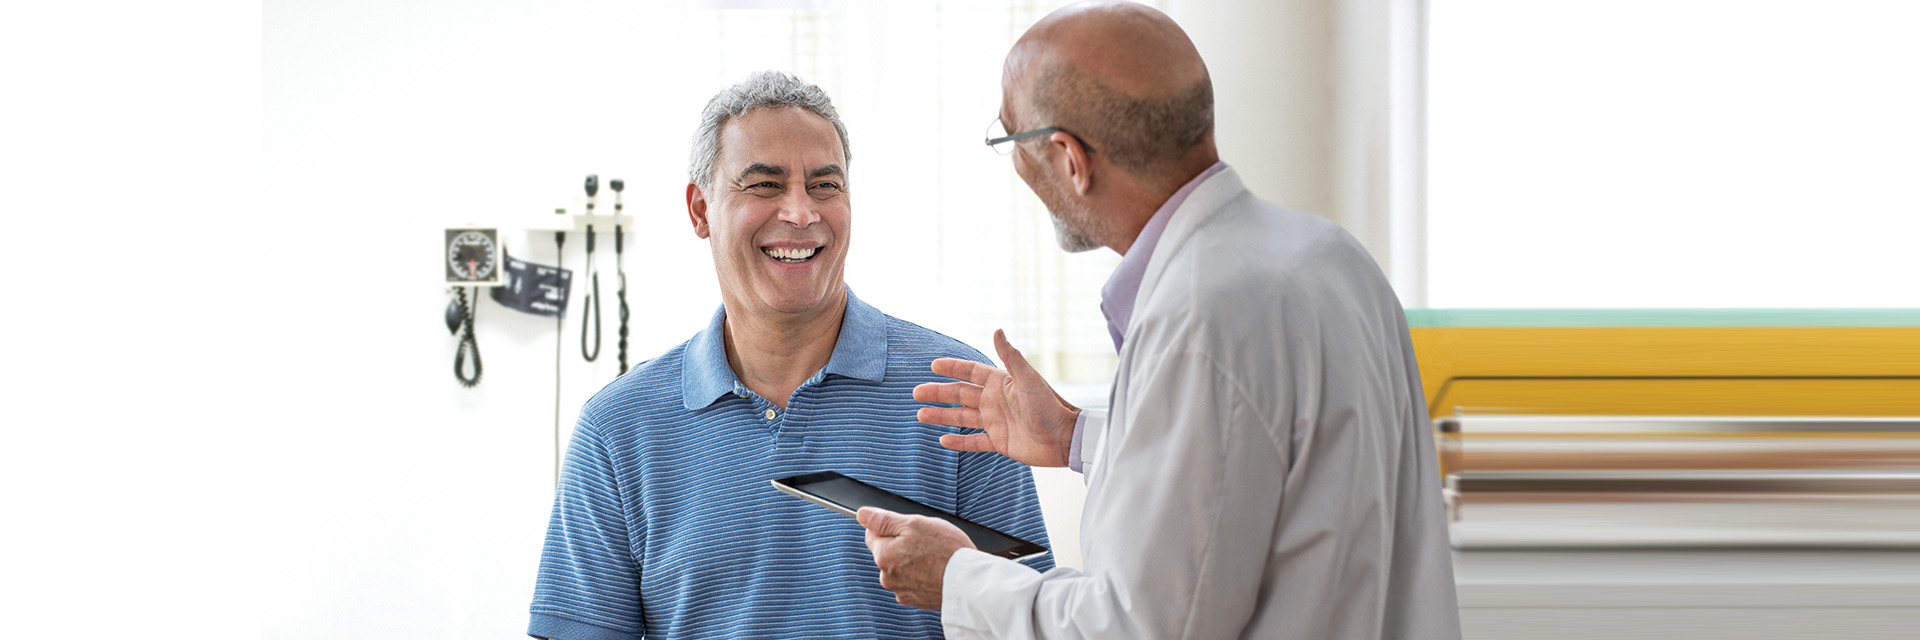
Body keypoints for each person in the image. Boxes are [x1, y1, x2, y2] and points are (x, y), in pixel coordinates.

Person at [856, 3, 1462, 638]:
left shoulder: (1200, 315)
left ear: (1070, 159)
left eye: (1010, 138)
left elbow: (1139, 625)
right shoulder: (1329, 256)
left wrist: (956, 578)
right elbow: (1264, 478)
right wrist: (1074, 437)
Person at [528, 70, 1054, 640]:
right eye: (765, 185)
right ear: (700, 209)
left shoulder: (958, 395)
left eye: (825, 185)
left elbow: (1026, 621)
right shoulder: (618, 429)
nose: (801, 213)